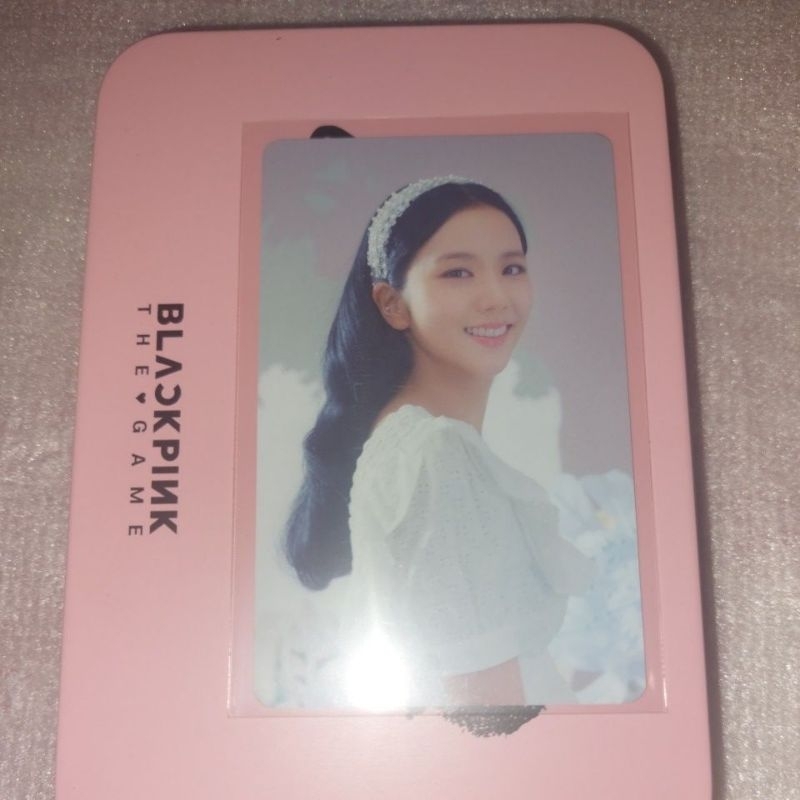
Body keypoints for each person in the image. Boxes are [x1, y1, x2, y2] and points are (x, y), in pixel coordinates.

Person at [284, 176, 593, 709]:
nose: (497, 297)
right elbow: (489, 716)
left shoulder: (409, 443)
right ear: (392, 304)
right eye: (458, 272)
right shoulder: (438, 454)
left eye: (511, 268)